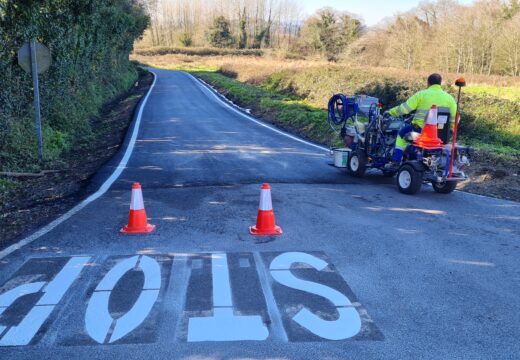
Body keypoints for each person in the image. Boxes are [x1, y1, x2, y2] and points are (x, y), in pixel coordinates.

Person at [384, 73, 457, 170]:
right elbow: (455, 118)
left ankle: (396, 161)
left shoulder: (422, 94)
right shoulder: (449, 98)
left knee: (401, 134)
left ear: (428, 83)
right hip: (440, 135)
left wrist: (391, 112)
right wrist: (450, 129)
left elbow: (405, 109)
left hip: (420, 132)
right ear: (440, 83)